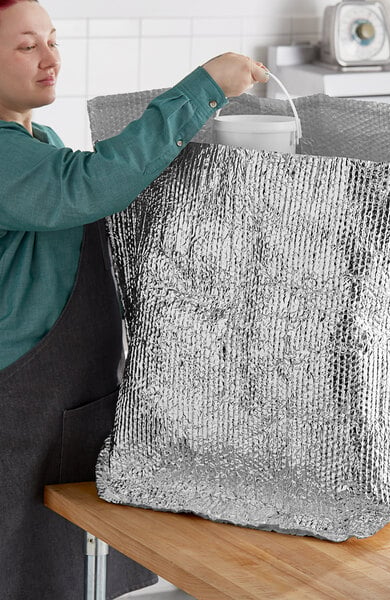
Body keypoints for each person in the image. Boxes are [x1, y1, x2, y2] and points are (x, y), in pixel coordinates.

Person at [0, 0, 269, 598]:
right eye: (27, 46)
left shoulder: (35, 138)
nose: (51, 59)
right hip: (16, 405)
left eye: (54, 40)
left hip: (62, 397)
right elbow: (86, 185)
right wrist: (204, 90)